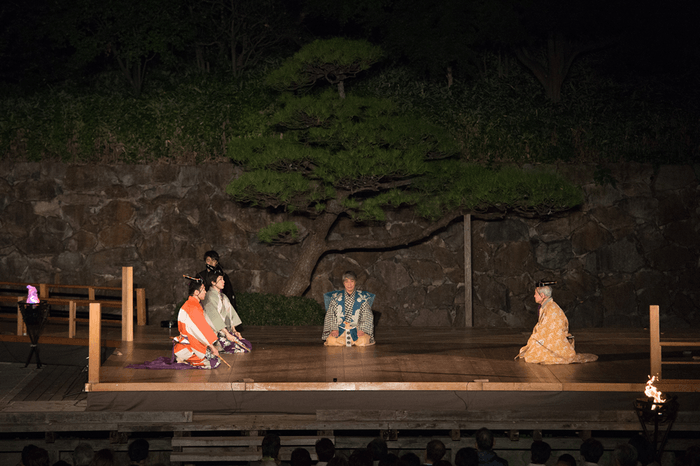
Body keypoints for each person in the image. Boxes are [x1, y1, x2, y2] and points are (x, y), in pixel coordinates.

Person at [515, 281, 597, 364]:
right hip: (549, 337)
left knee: (531, 355)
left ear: (542, 295)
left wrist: (535, 337)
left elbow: (546, 329)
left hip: (556, 339)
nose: (534, 296)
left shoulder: (552, 309)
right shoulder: (547, 306)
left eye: (535, 293)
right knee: (528, 350)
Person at [172, 275, 221, 369]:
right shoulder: (193, 307)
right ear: (196, 292)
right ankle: (185, 359)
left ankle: (185, 357)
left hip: (188, 343)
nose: (206, 292)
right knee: (213, 362)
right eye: (203, 290)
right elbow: (201, 330)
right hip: (188, 346)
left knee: (214, 359)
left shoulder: (191, 304)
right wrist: (212, 347)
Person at [201, 270, 251, 353]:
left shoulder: (223, 296)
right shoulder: (209, 297)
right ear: (213, 282)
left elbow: (230, 313)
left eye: (223, 279)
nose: (223, 281)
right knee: (239, 348)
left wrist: (234, 331)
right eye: (220, 279)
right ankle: (214, 345)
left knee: (246, 345)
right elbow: (214, 318)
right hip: (214, 331)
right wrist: (227, 333)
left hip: (224, 330)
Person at [322, 271, 375, 346]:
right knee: (331, 340)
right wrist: (334, 329)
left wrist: (362, 329)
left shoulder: (362, 298)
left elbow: (367, 315)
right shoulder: (336, 297)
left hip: (356, 328)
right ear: (343, 283)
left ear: (355, 282)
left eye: (352, 281)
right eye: (346, 282)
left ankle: (351, 341)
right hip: (340, 328)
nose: (349, 284)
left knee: (362, 341)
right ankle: (347, 341)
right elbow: (331, 314)